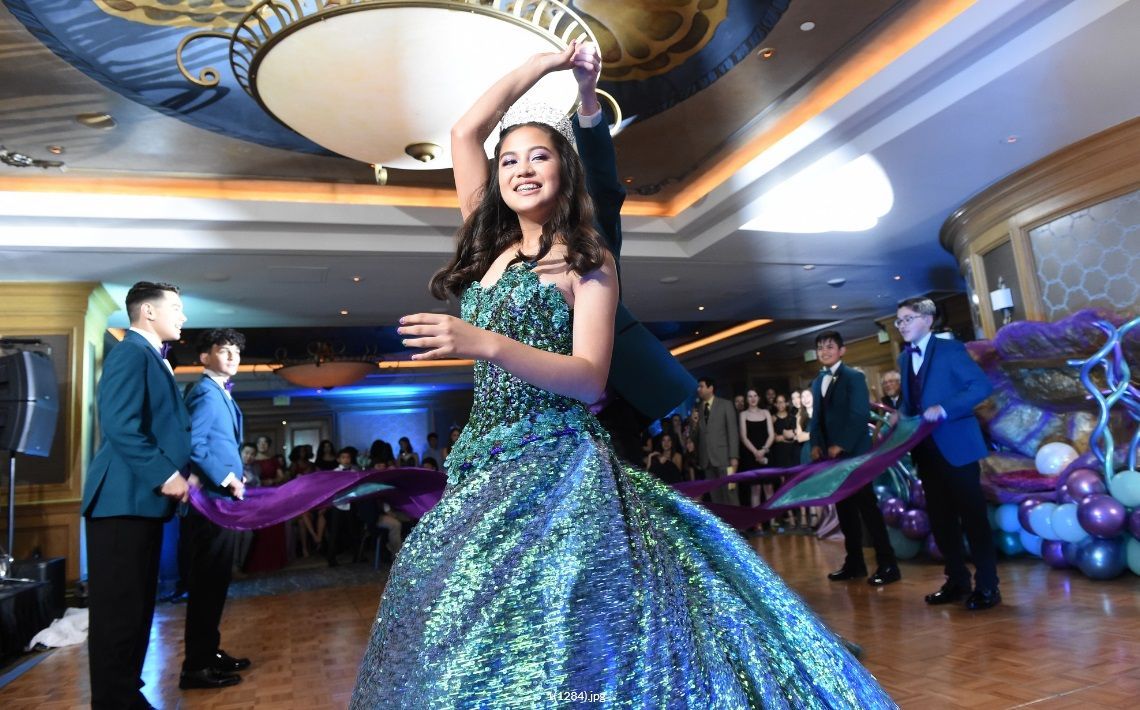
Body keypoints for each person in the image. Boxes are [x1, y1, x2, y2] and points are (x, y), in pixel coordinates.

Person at [350, 40, 893, 707]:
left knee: (565, 624)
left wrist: (480, 342)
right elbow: (465, 130)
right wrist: (543, 68)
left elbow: (587, 380)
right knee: (459, 608)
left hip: (557, 464)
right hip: (483, 461)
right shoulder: (485, 243)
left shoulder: (588, 260)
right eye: (510, 159)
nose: (521, 169)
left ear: (565, 172)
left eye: (539, 156)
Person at [82, 281, 192, 709]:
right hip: (120, 500)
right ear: (148, 311)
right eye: (176, 308)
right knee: (118, 615)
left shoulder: (153, 357)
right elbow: (121, 424)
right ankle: (114, 700)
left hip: (139, 502)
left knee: (137, 609)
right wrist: (166, 475)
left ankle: (126, 693)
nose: (182, 317)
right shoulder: (131, 351)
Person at [895, 297, 999, 610]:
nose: (902, 326)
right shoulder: (903, 358)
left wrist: (945, 409)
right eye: (898, 321)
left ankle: (988, 586)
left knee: (973, 517)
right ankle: (956, 580)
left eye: (908, 318)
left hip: (957, 447)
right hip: (925, 451)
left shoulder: (951, 350)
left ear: (928, 319)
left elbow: (981, 387)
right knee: (941, 519)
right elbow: (911, 401)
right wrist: (899, 414)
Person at [179, 328, 251, 690]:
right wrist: (226, 478)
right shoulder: (205, 393)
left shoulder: (219, 392)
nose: (233, 357)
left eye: (236, 352)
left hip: (221, 500)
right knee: (207, 584)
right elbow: (193, 445)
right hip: (210, 502)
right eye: (225, 351)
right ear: (204, 357)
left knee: (216, 582)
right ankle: (195, 666)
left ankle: (209, 653)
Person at [810, 331, 899, 586]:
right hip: (832, 459)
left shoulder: (854, 377)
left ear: (841, 350)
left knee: (867, 509)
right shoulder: (818, 381)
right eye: (820, 347)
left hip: (855, 456)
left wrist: (842, 445)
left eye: (829, 347)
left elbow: (859, 415)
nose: (824, 351)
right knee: (845, 511)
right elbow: (816, 418)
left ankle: (888, 564)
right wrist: (816, 444)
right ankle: (855, 563)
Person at [690, 377, 740, 506]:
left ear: (710, 388)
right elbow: (694, 438)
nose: (698, 389)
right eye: (698, 387)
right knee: (715, 496)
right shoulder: (697, 409)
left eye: (701, 386)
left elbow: (733, 432)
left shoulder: (725, 404)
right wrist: (694, 424)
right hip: (706, 460)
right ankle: (722, 525)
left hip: (725, 458)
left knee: (730, 493)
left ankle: (736, 525)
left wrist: (734, 457)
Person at [737, 389, 774, 511]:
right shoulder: (743, 414)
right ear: (747, 399)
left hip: (766, 452)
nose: (753, 398)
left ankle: (772, 520)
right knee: (755, 489)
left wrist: (763, 450)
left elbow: (771, 435)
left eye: (755, 395)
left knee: (769, 487)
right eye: (750, 396)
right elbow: (743, 437)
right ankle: (758, 523)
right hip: (751, 455)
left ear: (758, 398)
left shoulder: (766, 412)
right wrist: (756, 452)